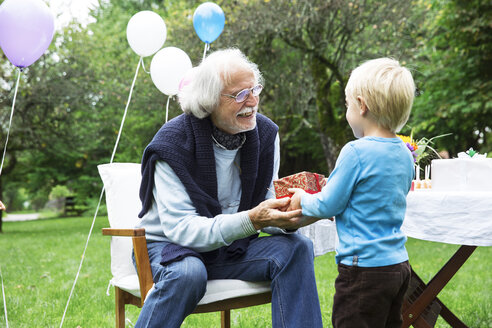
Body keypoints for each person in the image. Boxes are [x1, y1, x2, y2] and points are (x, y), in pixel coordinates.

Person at [135, 48, 323, 328]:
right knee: (188, 273)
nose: (252, 102)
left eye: (254, 89)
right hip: (169, 246)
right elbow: (182, 229)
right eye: (239, 95)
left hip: (231, 246)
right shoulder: (172, 145)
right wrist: (251, 220)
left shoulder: (266, 134)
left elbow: (267, 203)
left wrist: (296, 214)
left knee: (296, 247)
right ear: (209, 101)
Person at [289, 58, 415, 328]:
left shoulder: (355, 151)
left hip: (363, 270)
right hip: (398, 266)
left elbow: (328, 205)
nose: (347, 112)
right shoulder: (404, 154)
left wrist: (302, 199)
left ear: (361, 105)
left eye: (347, 106)